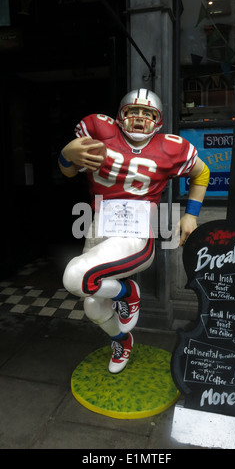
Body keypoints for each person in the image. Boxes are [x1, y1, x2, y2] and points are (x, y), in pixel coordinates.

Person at [59, 88, 210, 374]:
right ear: (120, 116)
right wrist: (66, 155)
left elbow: (201, 173)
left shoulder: (170, 146)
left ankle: (127, 291)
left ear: (158, 120)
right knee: (91, 302)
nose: (140, 118)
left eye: (148, 113)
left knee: (76, 277)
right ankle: (121, 340)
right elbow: (68, 171)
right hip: (99, 225)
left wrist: (191, 215)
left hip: (136, 230)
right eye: (133, 112)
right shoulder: (98, 131)